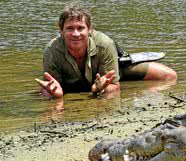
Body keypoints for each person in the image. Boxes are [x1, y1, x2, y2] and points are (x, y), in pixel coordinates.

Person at [35, 3, 177, 98]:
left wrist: (101, 89)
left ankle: (132, 90)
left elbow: (114, 87)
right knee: (46, 92)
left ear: (90, 30)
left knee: (169, 76)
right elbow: (51, 87)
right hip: (71, 83)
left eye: (80, 28)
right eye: (69, 28)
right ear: (61, 31)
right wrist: (54, 96)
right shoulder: (51, 50)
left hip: (110, 73)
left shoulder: (105, 43)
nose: (76, 34)